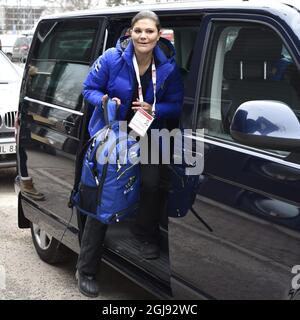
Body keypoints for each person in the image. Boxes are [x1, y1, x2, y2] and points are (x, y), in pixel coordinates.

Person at [76, 10, 184, 297]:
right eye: (138, 31)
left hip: (148, 134)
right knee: (105, 196)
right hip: (114, 134)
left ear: (158, 34)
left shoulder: (169, 69)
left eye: (149, 31)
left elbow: (177, 105)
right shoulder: (113, 58)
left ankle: (143, 235)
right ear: (130, 33)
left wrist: (155, 109)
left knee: (151, 185)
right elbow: (88, 88)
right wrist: (103, 100)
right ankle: (86, 268)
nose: (143, 36)